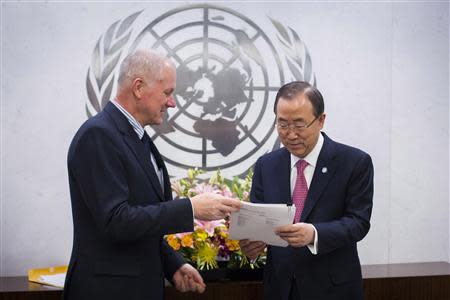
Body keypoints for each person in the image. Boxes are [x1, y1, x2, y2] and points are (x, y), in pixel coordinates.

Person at [63, 50, 241, 300]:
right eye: (167, 92)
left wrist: (173, 265)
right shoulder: (98, 135)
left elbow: (142, 223)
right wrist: (190, 208)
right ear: (138, 87)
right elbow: (116, 221)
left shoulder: (137, 137)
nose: (172, 102)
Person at [240, 81, 373, 300]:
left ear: (321, 120)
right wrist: (252, 244)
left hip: (333, 289)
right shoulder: (266, 165)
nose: (290, 134)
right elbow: (260, 222)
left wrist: (314, 234)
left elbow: (358, 222)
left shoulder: (354, 162)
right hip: (281, 289)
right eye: (282, 124)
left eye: (299, 125)